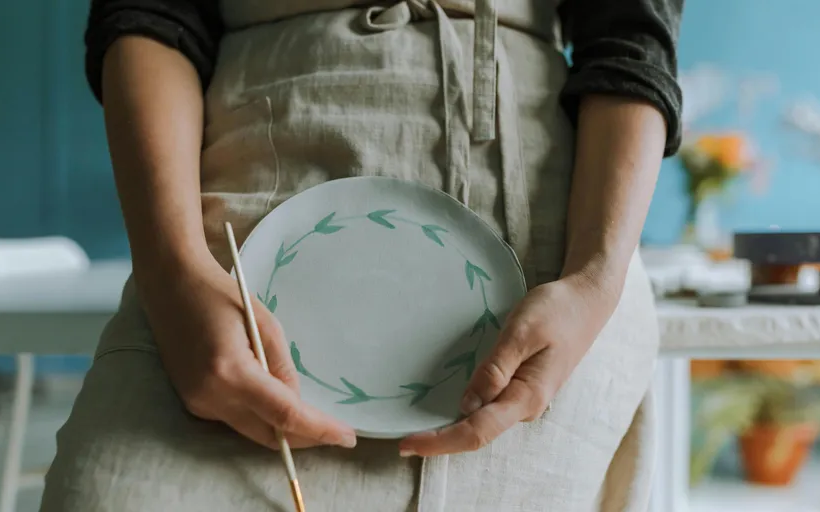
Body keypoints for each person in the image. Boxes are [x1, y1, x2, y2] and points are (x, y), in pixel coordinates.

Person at [41, 0, 683, 510]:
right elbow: (150, 14)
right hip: (238, 196)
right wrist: (172, 268)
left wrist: (595, 280)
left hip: (558, 229)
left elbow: (631, 31)